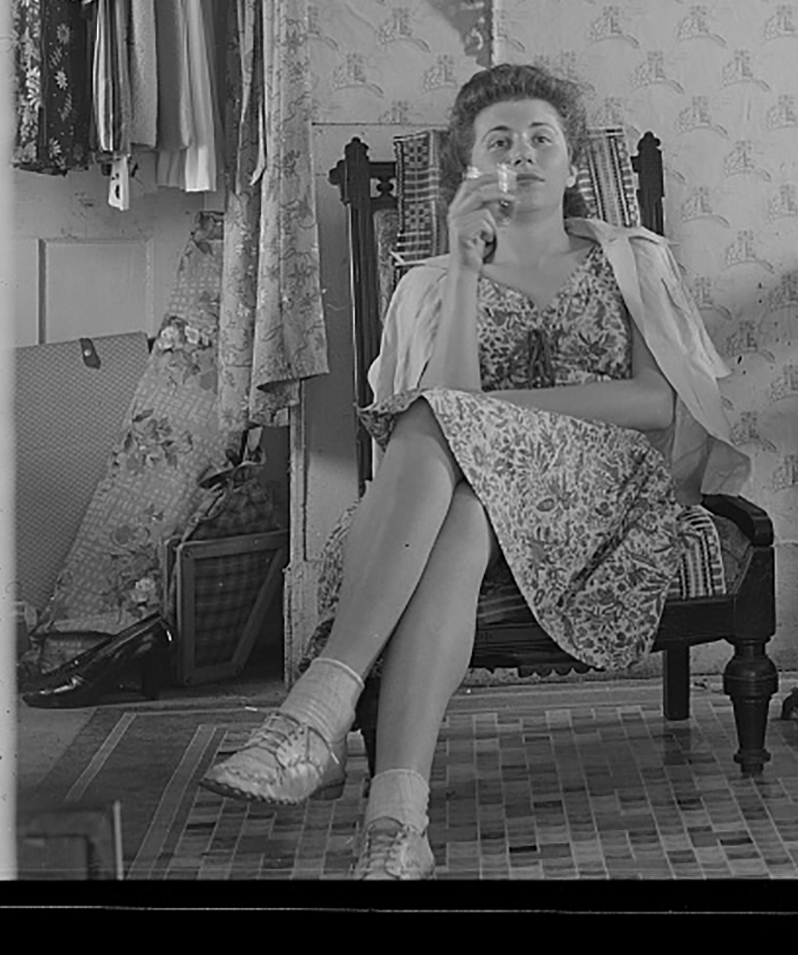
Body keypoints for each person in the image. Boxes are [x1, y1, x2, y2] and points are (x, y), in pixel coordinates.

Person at [200, 64, 745, 879]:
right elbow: (453, 403)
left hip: (607, 496)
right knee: (464, 510)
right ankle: (398, 824)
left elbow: (654, 402)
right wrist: (460, 265)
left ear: (572, 163)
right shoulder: (429, 282)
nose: (521, 154)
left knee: (442, 421)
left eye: (540, 138)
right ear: (470, 169)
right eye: (499, 141)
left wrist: (506, 416)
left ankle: (316, 713)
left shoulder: (632, 259)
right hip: (487, 495)